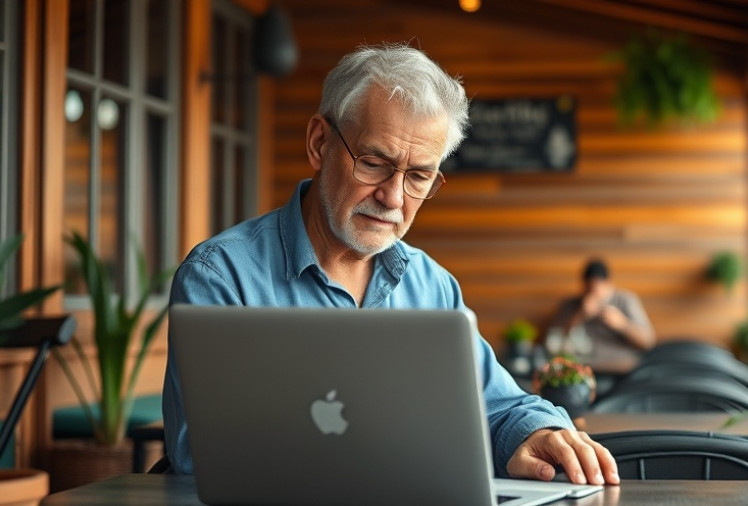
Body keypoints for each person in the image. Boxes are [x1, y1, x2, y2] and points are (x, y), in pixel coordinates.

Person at [162, 43, 619, 486]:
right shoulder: (222, 278)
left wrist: (537, 433)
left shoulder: (432, 286)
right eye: (375, 163)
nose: (394, 198)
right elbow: (201, 457)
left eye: (419, 176)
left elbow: (497, 405)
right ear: (320, 143)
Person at [548, 259, 655, 364]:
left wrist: (622, 324)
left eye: (599, 287)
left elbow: (648, 342)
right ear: (583, 287)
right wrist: (581, 314)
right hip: (585, 364)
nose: (595, 293)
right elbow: (553, 341)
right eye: (589, 289)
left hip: (622, 365)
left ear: (610, 284)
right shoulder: (571, 304)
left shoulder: (625, 300)